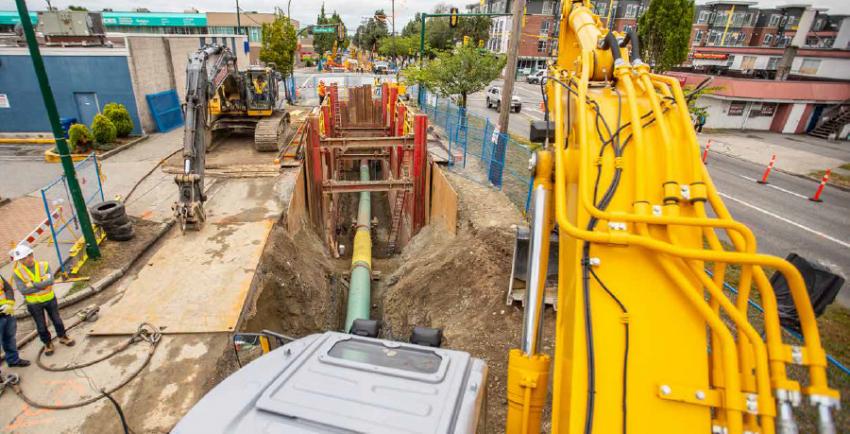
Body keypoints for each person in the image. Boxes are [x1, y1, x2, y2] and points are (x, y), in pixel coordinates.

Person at [10, 243, 75, 356]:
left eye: (28, 256)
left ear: (32, 254)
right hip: (34, 303)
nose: (27, 260)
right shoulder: (18, 273)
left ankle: (62, 337)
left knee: (57, 320)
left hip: (49, 299)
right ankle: (48, 344)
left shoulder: (44, 265)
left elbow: (51, 281)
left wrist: (33, 285)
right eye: (23, 259)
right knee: (41, 325)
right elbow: (23, 291)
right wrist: (42, 284)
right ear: (20, 261)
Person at [1, 273, 30, 368]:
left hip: (7, 312)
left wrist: (9, 302)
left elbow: (8, 288)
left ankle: (13, 360)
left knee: (9, 338)